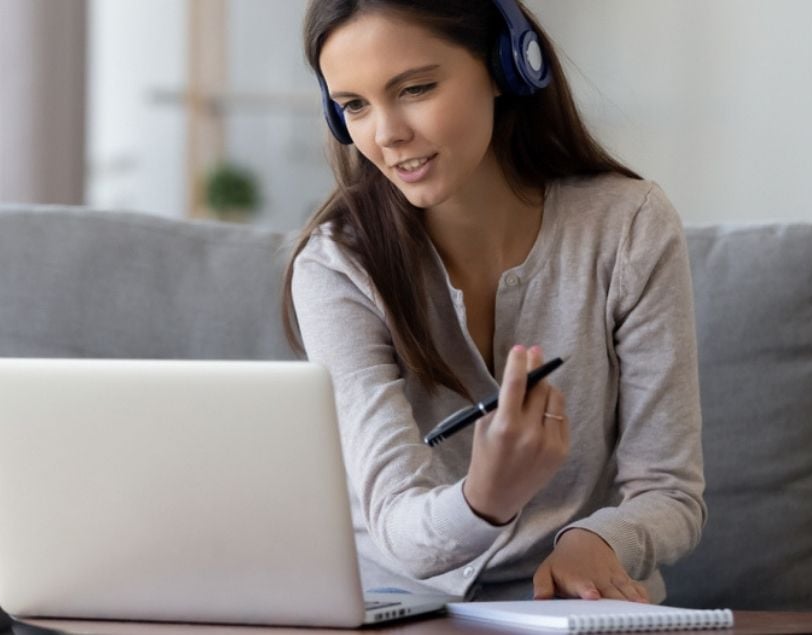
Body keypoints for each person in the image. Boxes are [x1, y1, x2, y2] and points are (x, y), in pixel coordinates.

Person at [281, 0, 705, 604]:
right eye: (354, 105)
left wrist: (601, 539)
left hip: (574, 606)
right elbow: (397, 523)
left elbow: (670, 489)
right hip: (399, 604)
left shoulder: (629, 226)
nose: (386, 133)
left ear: (508, 67)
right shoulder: (337, 265)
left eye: (416, 88)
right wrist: (487, 496)